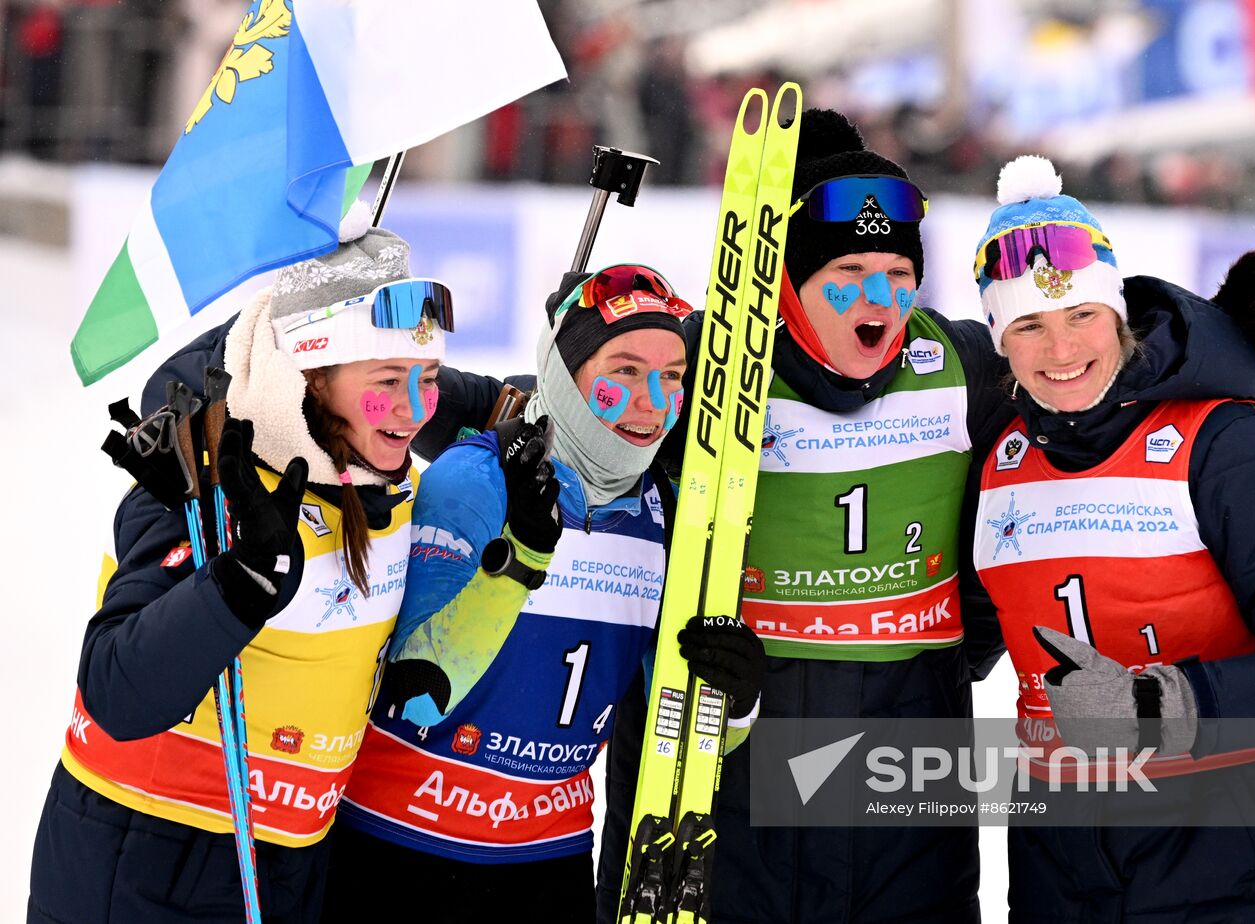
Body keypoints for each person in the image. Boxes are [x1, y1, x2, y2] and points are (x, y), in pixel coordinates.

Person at [587, 109, 1012, 924]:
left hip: (908, 773)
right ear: (788, 279)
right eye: (847, 272)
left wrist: (965, 647)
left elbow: (1076, 404)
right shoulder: (706, 365)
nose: (879, 298)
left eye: (897, 272)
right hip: (733, 756)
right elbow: (562, 421)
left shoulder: (960, 365)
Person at [968, 156, 1255, 922]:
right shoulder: (1000, 462)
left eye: (1081, 315)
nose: (1061, 350)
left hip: (1229, 852)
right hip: (1061, 867)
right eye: (1029, 324)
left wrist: (1159, 705)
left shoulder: (1227, 444)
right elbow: (957, 639)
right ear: (1000, 339)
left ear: (1117, 315)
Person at [28, 209, 451, 924]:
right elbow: (114, 687)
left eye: (429, 377)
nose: (416, 409)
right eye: (388, 380)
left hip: (287, 859)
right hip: (149, 856)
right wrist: (238, 584)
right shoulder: (198, 484)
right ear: (311, 376)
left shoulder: (374, 470)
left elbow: (512, 401)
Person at [321, 264, 767, 921]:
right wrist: (518, 565)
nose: (652, 401)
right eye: (623, 370)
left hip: (549, 861)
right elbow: (414, 696)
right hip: (402, 845)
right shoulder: (474, 479)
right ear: (563, 376)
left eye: (672, 376)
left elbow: (674, 740)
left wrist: (734, 703)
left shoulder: (667, 514)